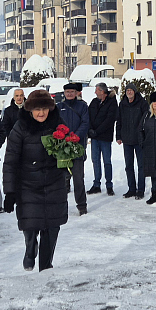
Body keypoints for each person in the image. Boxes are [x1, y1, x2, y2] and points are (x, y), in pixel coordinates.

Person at [2, 89, 69, 271]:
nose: (41, 113)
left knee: (52, 226)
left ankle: (46, 266)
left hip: (54, 183)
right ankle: (30, 249)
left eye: (45, 109)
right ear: (30, 110)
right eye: (37, 109)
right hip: (28, 185)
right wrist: (10, 192)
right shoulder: (20, 127)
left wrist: (70, 159)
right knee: (31, 224)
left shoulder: (57, 124)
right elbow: (10, 161)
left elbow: (69, 148)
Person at [56, 82, 90, 215]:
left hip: (78, 148)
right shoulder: (59, 107)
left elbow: (85, 123)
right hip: (63, 148)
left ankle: (81, 205)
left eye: (72, 92)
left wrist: (75, 136)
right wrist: (61, 136)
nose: (69, 94)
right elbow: (55, 124)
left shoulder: (82, 106)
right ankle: (60, 206)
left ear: (77, 93)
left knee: (78, 178)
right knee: (61, 180)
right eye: (67, 92)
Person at [116, 84, 148, 199]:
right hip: (126, 139)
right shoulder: (122, 104)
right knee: (128, 165)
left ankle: (140, 190)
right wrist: (118, 136)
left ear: (135, 91)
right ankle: (131, 188)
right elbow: (118, 120)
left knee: (141, 166)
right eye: (127, 90)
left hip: (139, 139)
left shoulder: (142, 103)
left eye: (131, 90)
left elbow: (146, 119)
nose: (129, 92)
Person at [87, 82, 118, 196]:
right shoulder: (94, 102)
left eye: (97, 90)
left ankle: (109, 185)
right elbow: (88, 116)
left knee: (107, 161)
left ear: (103, 92)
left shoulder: (112, 102)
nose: (95, 92)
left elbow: (110, 120)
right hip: (94, 137)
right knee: (95, 160)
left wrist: (97, 131)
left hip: (104, 137)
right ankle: (96, 184)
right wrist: (90, 130)